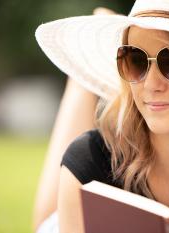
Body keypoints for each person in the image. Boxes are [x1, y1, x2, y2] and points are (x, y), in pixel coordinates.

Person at [35, 0, 169, 232]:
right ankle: (80, 86)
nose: (151, 84)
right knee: (47, 221)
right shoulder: (89, 161)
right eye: (135, 60)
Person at [32, 7, 117, 233]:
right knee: (50, 220)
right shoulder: (86, 152)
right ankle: (86, 71)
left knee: (47, 219)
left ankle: (89, 67)